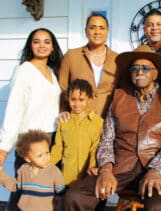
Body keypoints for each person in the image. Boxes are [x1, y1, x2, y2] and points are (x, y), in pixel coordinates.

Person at [64, 45, 161, 211]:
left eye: (146, 68)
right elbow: (107, 139)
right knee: (76, 195)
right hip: (121, 166)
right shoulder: (119, 97)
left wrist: (155, 171)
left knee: (157, 205)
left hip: (158, 169)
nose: (140, 72)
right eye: (135, 68)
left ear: (155, 73)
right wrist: (105, 169)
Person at [0, 28, 63, 210]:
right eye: (36, 41)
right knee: (24, 191)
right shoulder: (24, 70)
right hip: (30, 139)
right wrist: (4, 147)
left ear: (52, 47)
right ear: (30, 45)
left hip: (51, 137)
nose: (42, 45)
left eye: (46, 41)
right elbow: (14, 109)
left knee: (43, 192)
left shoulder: (52, 72)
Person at [58, 12, 120, 118]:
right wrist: (63, 111)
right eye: (92, 27)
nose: (97, 32)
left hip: (109, 122)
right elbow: (63, 88)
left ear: (107, 32)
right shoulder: (72, 56)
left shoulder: (117, 59)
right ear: (86, 31)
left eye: (102, 28)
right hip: (79, 120)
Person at [50, 79, 103, 186]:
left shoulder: (98, 122)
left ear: (89, 99)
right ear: (68, 99)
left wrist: (92, 167)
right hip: (66, 178)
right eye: (73, 99)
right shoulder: (64, 122)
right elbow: (58, 148)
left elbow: (95, 147)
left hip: (87, 177)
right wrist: (44, 166)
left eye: (81, 99)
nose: (77, 103)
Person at [0, 130, 65, 211]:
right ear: (28, 159)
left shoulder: (54, 171)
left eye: (47, 152)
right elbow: (14, 186)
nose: (45, 157)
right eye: (40, 155)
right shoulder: (23, 170)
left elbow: (61, 194)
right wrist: (1, 174)